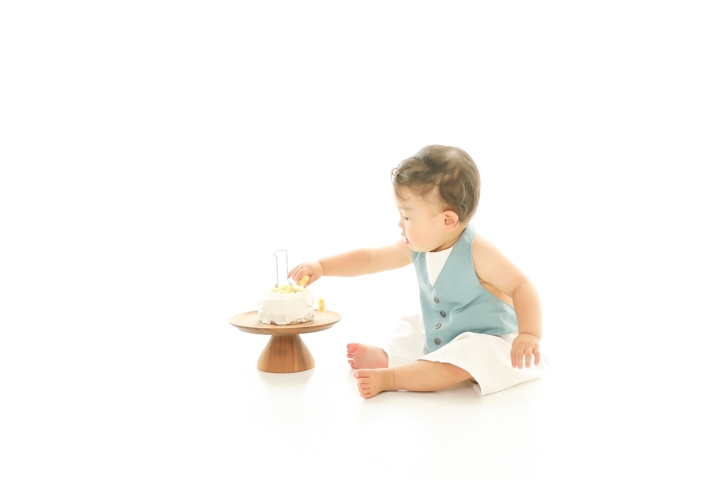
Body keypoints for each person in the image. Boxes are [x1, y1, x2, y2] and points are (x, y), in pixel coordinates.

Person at [289, 145, 547, 399]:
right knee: (413, 327)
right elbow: (369, 259)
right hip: (448, 333)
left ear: (448, 220)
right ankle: (389, 357)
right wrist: (323, 266)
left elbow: (521, 286)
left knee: (469, 352)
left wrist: (529, 335)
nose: (400, 225)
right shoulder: (417, 247)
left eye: (407, 217)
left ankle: (393, 377)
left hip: (491, 340)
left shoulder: (479, 252)